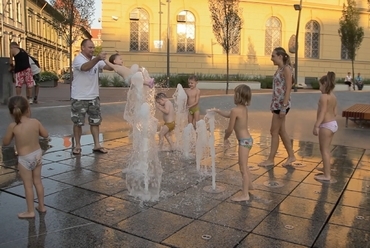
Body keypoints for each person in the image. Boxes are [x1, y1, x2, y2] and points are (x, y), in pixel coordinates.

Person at [2, 96, 49, 218]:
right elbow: (45, 134)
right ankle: (42, 206)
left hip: (24, 159)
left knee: (28, 186)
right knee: (38, 182)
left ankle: (30, 211)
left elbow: (5, 142)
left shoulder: (13, 126)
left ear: (11, 112)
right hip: (37, 155)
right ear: (28, 109)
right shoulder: (35, 122)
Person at [70, 39, 113, 155]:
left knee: (95, 122)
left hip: (93, 96)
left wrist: (115, 61)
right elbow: (85, 67)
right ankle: (78, 146)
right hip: (79, 97)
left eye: (93, 47)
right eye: (90, 47)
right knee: (78, 122)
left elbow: (109, 67)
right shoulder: (78, 59)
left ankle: (97, 145)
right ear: (83, 48)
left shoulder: (96, 60)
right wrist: (98, 58)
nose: (92, 50)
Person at [211, 84, 253, 201]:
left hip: (244, 142)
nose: (233, 96)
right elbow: (229, 115)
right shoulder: (243, 109)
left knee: (243, 167)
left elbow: (230, 129)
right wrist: (217, 111)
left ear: (239, 96)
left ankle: (245, 195)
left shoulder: (235, 110)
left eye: (235, 94)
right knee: (243, 164)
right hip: (248, 140)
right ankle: (249, 186)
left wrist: (225, 138)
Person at [259, 47, 296, 167]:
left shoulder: (286, 69)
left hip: (281, 105)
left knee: (273, 131)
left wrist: (284, 107)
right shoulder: (280, 69)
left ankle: (270, 160)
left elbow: (289, 87)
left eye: (273, 56)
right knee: (281, 131)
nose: (271, 58)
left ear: (280, 56)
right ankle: (291, 156)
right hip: (277, 104)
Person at [313, 72, 337, 181]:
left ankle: (327, 175)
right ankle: (326, 168)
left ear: (325, 84)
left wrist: (316, 126)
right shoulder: (333, 96)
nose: (319, 88)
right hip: (333, 124)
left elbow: (322, 113)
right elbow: (335, 112)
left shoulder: (324, 97)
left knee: (324, 150)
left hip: (326, 125)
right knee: (326, 149)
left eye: (320, 85)